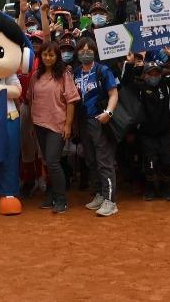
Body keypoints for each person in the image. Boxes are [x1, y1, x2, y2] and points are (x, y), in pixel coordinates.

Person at [24, 42, 79, 213]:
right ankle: (51, 195)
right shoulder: (35, 76)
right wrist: (32, 123)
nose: (48, 58)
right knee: (47, 161)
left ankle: (61, 199)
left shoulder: (64, 75)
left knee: (53, 162)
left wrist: (68, 125)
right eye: (45, 55)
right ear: (40, 56)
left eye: (52, 55)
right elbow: (30, 99)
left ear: (57, 57)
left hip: (57, 124)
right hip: (39, 124)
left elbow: (71, 101)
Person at [126, 51, 170, 202]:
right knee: (150, 165)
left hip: (164, 134)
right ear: (145, 75)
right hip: (146, 135)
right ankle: (150, 189)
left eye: (157, 73)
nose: (154, 76)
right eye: (151, 73)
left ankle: (166, 190)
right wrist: (130, 63)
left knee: (167, 164)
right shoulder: (140, 89)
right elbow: (126, 83)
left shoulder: (166, 86)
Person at [73, 37, 120, 217]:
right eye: (82, 50)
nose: (85, 53)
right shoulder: (76, 72)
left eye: (89, 50)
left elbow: (113, 94)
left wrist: (108, 113)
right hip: (83, 121)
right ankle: (100, 194)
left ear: (95, 51)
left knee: (104, 160)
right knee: (91, 160)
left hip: (99, 120)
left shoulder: (103, 70)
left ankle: (110, 201)